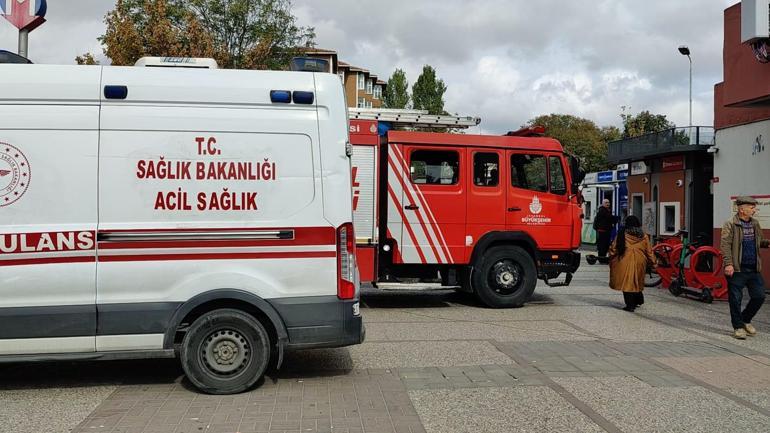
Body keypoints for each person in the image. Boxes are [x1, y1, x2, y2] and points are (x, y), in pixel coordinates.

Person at [720, 196, 770, 340]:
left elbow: (759, 241)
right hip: (737, 268)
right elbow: (725, 245)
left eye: (754, 207)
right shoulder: (730, 224)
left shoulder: (754, 223)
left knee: (759, 296)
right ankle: (738, 327)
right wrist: (728, 263)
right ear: (742, 209)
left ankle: (745, 319)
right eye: (752, 207)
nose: (755, 209)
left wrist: (767, 243)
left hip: (753, 268)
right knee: (735, 299)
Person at [609, 215, 655, 312]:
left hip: (624, 260)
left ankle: (630, 305)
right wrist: (653, 262)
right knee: (637, 281)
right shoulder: (644, 235)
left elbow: (614, 248)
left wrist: (611, 256)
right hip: (640, 260)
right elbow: (649, 251)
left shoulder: (622, 234)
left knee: (626, 283)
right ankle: (639, 300)